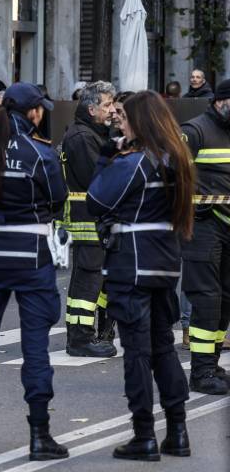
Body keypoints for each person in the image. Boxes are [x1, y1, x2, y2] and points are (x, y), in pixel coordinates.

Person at [0, 82, 68, 462]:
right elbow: (58, 199)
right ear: (32, 112)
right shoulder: (40, 153)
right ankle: (40, 435)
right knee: (35, 346)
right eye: (41, 109)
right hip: (30, 255)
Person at [87, 91, 195, 461]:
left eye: (125, 118)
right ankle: (178, 432)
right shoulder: (175, 158)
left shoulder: (136, 161)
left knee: (136, 354)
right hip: (164, 265)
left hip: (131, 267)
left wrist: (106, 157)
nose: (121, 123)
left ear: (141, 121)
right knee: (163, 347)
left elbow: (96, 200)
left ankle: (144, 435)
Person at [59, 81, 118, 358]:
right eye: (107, 105)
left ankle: (88, 333)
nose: (112, 109)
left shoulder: (93, 133)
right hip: (87, 218)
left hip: (95, 217)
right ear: (91, 108)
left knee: (92, 277)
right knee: (87, 278)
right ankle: (81, 339)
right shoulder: (83, 137)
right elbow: (96, 180)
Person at [178, 78, 230, 396]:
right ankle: (201, 371)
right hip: (204, 225)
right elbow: (173, 173)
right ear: (220, 101)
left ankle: (212, 361)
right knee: (206, 299)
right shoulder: (194, 130)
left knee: (225, 298)